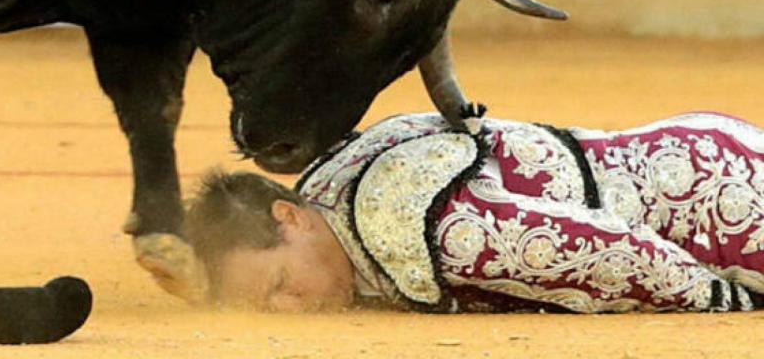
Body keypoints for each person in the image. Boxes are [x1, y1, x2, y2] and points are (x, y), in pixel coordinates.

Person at [184, 111, 764, 313]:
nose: (289, 308)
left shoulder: (425, 232)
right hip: (687, 153)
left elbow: (609, 252)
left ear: (292, 218)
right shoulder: (329, 185)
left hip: (709, 206)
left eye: (280, 283)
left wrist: (723, 299)